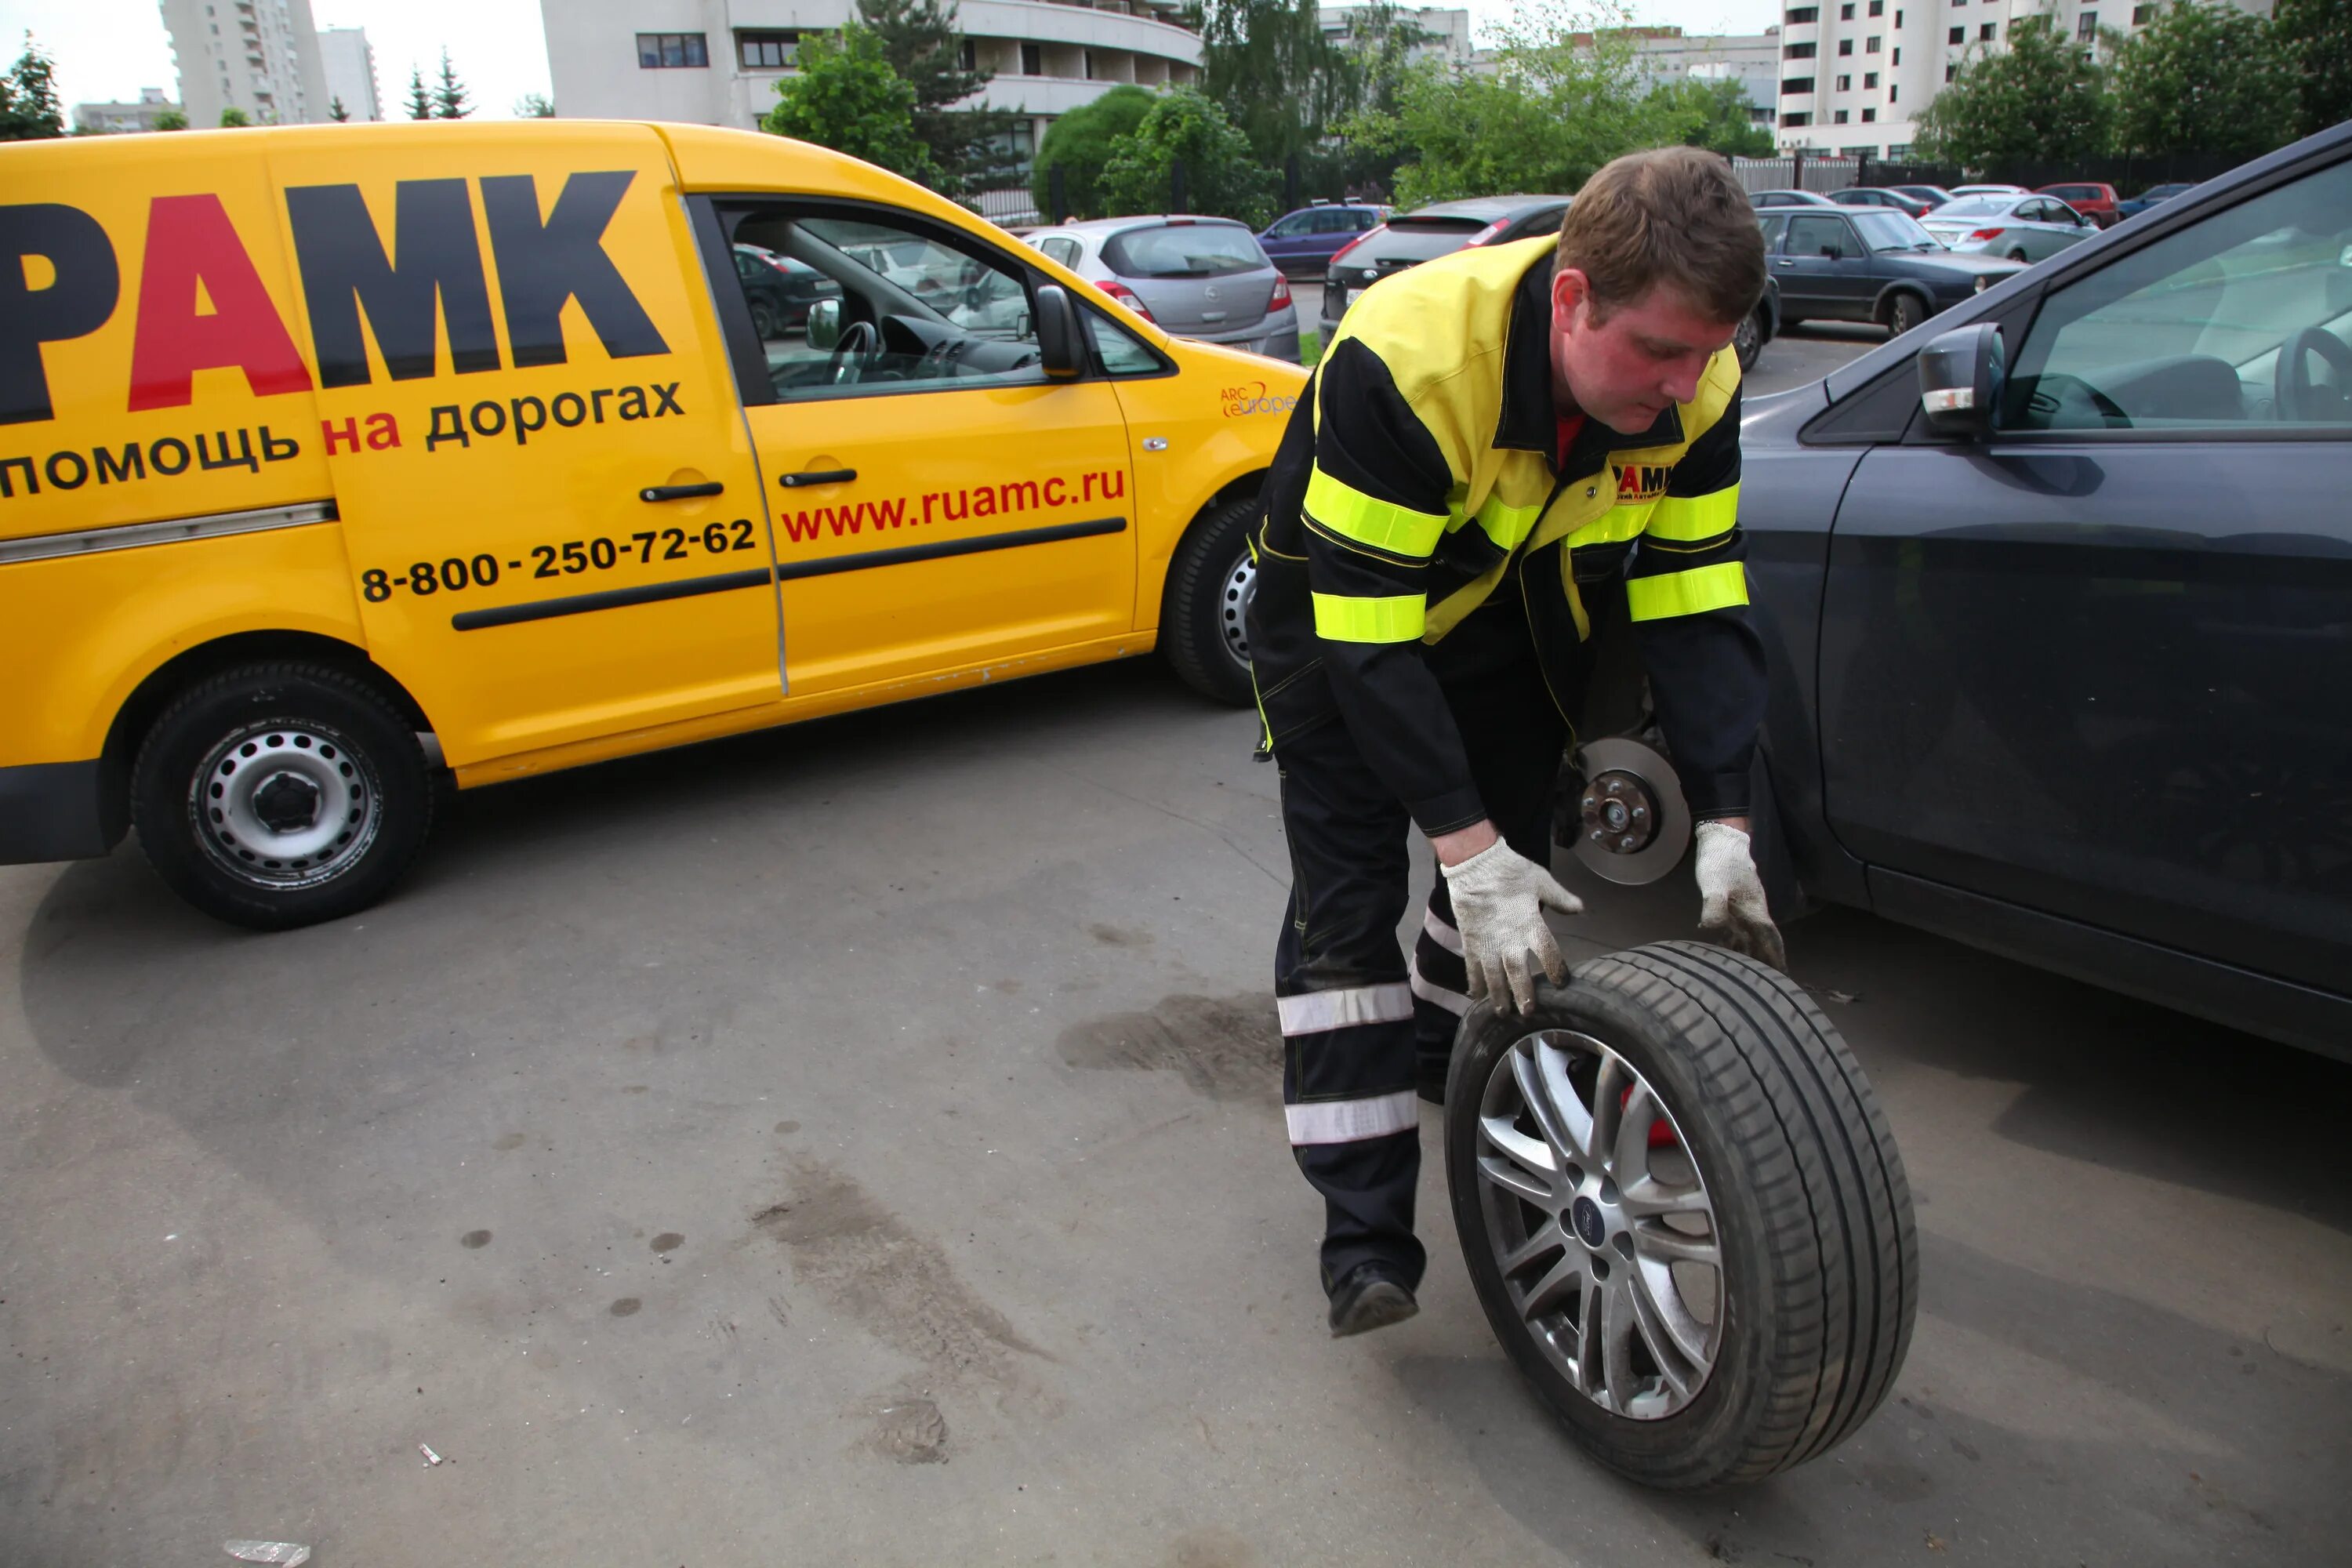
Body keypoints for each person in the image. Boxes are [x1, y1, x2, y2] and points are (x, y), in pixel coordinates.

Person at [1243, 147, 1786, 1337]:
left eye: (1706, 353)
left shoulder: (1698, 372)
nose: (1689, 385)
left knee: (1508, 869)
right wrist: (1458, 841)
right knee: (1347, 920)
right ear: (1573, 298)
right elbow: (1371, 646)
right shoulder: (1415, 358)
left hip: (1508, 624)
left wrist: (1726, 817)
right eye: (1659, 353)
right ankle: (1365, 1242)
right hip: (1342, 634)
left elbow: (1696, 596)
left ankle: (1448, 1049)